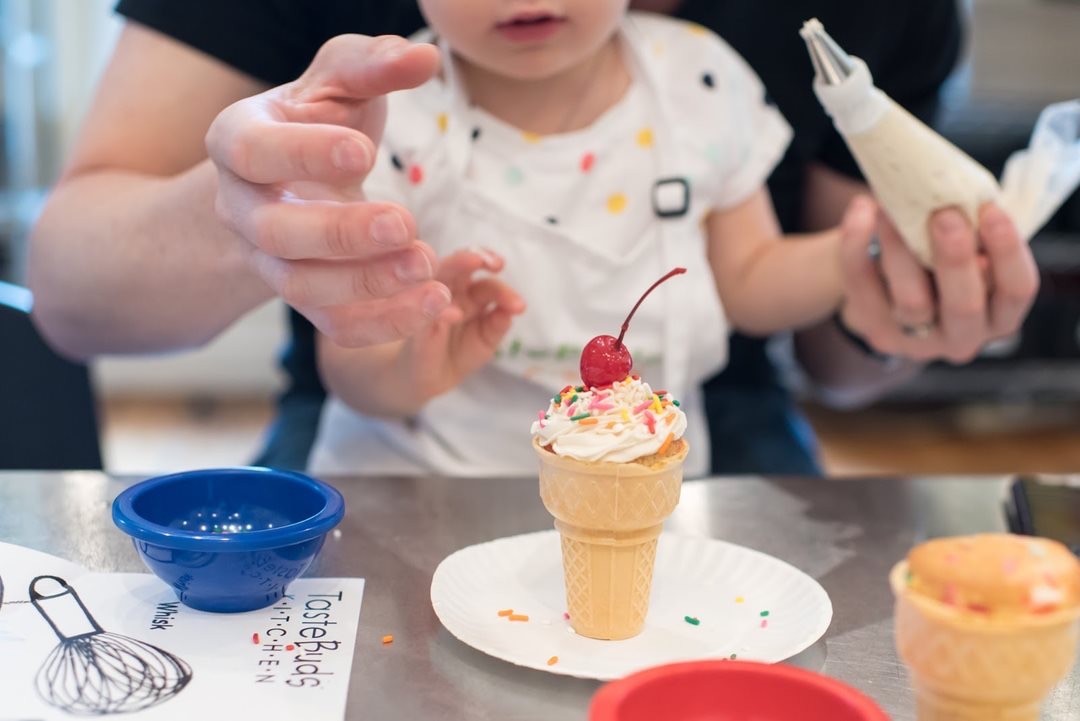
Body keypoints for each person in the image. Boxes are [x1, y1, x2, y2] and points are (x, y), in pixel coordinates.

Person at [27, 1, 1038, 474]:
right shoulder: (392, 109)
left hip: (651, 475)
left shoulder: (702, 81)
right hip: (424, 468)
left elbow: (750, 277)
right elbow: (353, 364)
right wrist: (405, 361)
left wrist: (854, 256)